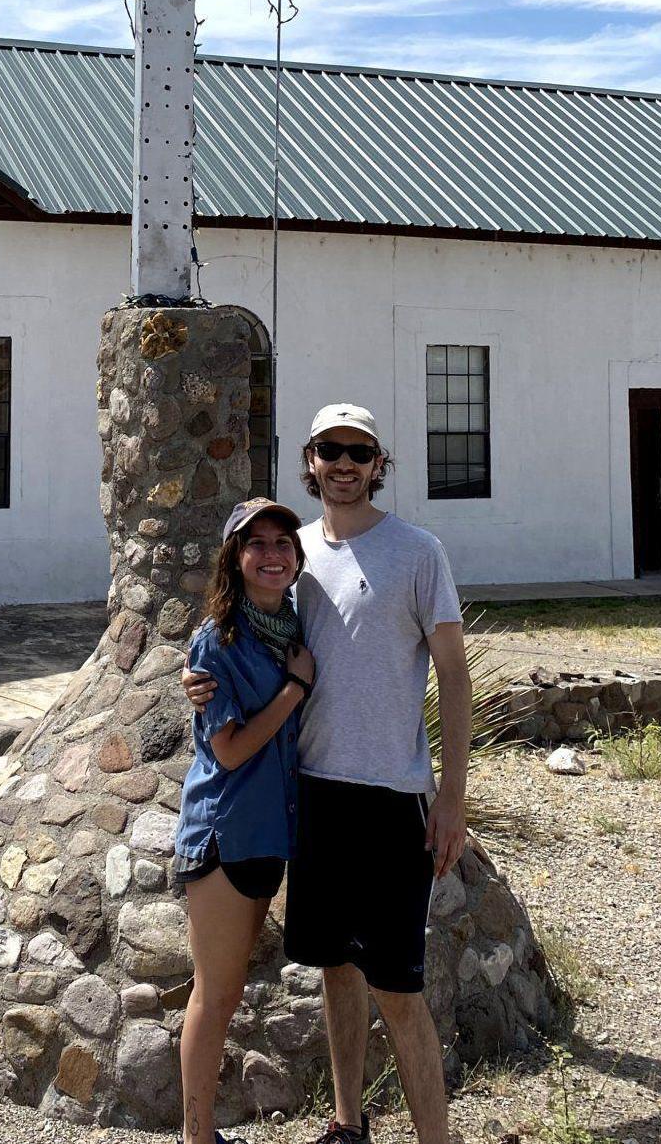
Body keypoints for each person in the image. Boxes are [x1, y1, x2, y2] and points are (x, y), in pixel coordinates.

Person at [183, 406, 471, 1144]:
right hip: (310, 796)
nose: (344, 464)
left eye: (360, 452)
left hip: (389, 796)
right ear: (309, 461)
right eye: (330, 451)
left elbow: (453, 674)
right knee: (335, 969)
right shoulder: (292, 554)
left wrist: (450, 796)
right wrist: (192, 684)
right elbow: (229, 638)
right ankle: (349, 1124)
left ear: (379, 464)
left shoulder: (416, 552)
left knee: (398, 989)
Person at [174, 497, 316, 1144]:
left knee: (224, 992)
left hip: (269, 833)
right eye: (254, 543)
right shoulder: (217, 640)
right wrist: (293, 691)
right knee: (215, 994)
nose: (271, 554)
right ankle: (197, 1136)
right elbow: (228, 748)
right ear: (234, 558)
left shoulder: (291, 626)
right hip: (225, 835)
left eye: (282, 542)